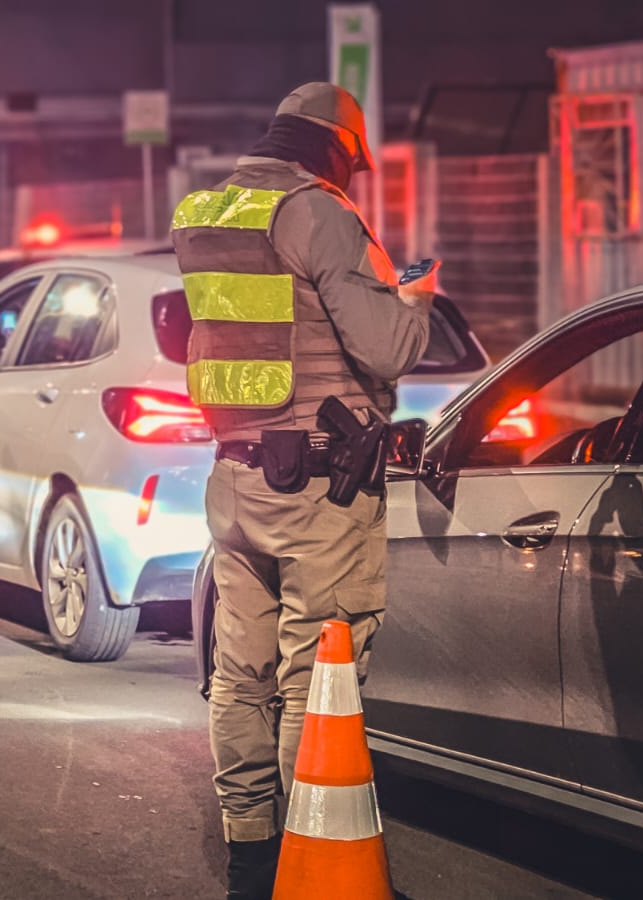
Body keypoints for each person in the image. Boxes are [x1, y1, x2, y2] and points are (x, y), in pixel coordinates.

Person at [170, 82, 440, 900]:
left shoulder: (206, 212)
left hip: (235, 479)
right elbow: (387, 348)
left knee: (239, 679)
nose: (352, 177)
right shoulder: (319, 212)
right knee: (316, 685)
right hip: (319, 492)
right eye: (351, 162)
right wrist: (416, 294)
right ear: (333, 149)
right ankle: (315, 870)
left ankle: (252, 864)